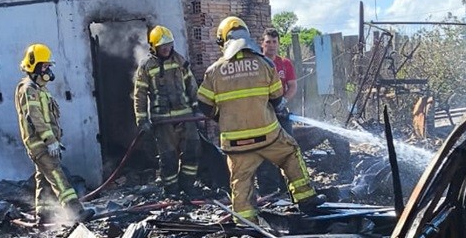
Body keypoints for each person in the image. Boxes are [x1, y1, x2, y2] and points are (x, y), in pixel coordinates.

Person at [197, 16, 325, 222]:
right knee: (290, 153)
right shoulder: (265, 64)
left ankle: (245, 222)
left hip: (235, 143)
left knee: (241, 180)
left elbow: (203, 105)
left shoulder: (213, 71)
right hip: (268, 136)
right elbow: (277, 99)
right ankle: (306, 199)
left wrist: (222, 118)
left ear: (223, 41)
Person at [14, 43, 93, 225]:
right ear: (34, 67)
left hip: (44, 143)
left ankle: (43, 213)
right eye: (45, 67)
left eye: (48, 66)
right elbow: (35, 116)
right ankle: (76, 212)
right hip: (40, 143)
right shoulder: (28, 89)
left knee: (43, 177)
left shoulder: (39, 89)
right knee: (58, 175)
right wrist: (49, 140)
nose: (48, 71)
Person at [133, 25, 202, 197]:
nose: (166, 49)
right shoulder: (147, 66)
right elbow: (140, 94)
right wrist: (142, 119)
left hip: (185, 116)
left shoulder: (180, 61)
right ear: (153, 47)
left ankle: (188, 186)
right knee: (168, 157)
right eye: (162, 46)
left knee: (192, 151)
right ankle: (172, 190)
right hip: (162, 120)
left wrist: (197, 109)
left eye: (169, 44)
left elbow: (191, 85)